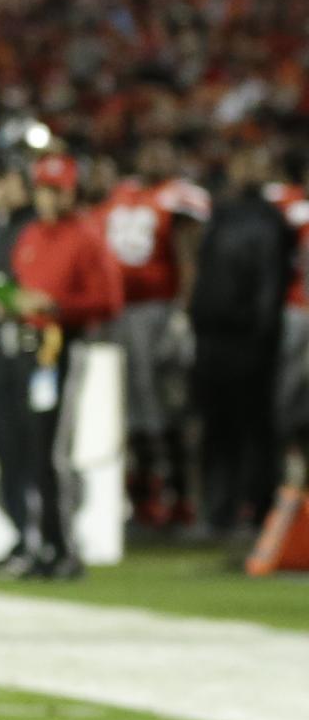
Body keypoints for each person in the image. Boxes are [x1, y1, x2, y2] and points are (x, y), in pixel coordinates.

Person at [0, 153, 125, 578]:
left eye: (58, 190)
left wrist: (56, 306)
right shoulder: (31, 233)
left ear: (71, 191)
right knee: (29, 448)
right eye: (44, 189)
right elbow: (22, 285)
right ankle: (41, 542)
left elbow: (109, 302)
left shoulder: (87, 236)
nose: (50, 198)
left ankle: (65, 546)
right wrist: (12, 305)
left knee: (55, 451)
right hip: (29, 345)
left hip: (63, 345)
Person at [98, 140, 207, 527]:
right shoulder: (121, 192)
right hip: (116, 312)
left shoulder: (178, 197)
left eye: (163, 153)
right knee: (126, 407)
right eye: (148, 152)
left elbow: (188, 259)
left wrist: (181, 312)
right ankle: (141, 493)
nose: (154, 158)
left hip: (156, 311)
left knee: (165, 406)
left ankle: (177, 493)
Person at [188, 148, 296, 535]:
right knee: (218, 426)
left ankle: (258, 508)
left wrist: (264, 336)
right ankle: (219, 510)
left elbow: (271, 284)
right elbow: (204, 279)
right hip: (215, 337)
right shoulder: (222, 214)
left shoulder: (268, 220)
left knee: (254, 427)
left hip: (248, 340)